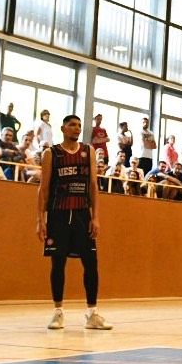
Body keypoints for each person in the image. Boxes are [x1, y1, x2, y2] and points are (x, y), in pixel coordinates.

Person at [38, 114, 110, 331]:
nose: (77, 128)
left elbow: (94, 186)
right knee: (58, 263)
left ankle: (92, 314)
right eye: (72, 125)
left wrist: (95, 217)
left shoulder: (88, 151)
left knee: (91, 263)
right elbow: (43, 188)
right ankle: (58, 312)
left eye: (79, 125)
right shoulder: (51, 153)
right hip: (58, 214)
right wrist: (40, 219)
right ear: (63, 128)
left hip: (81, 214)